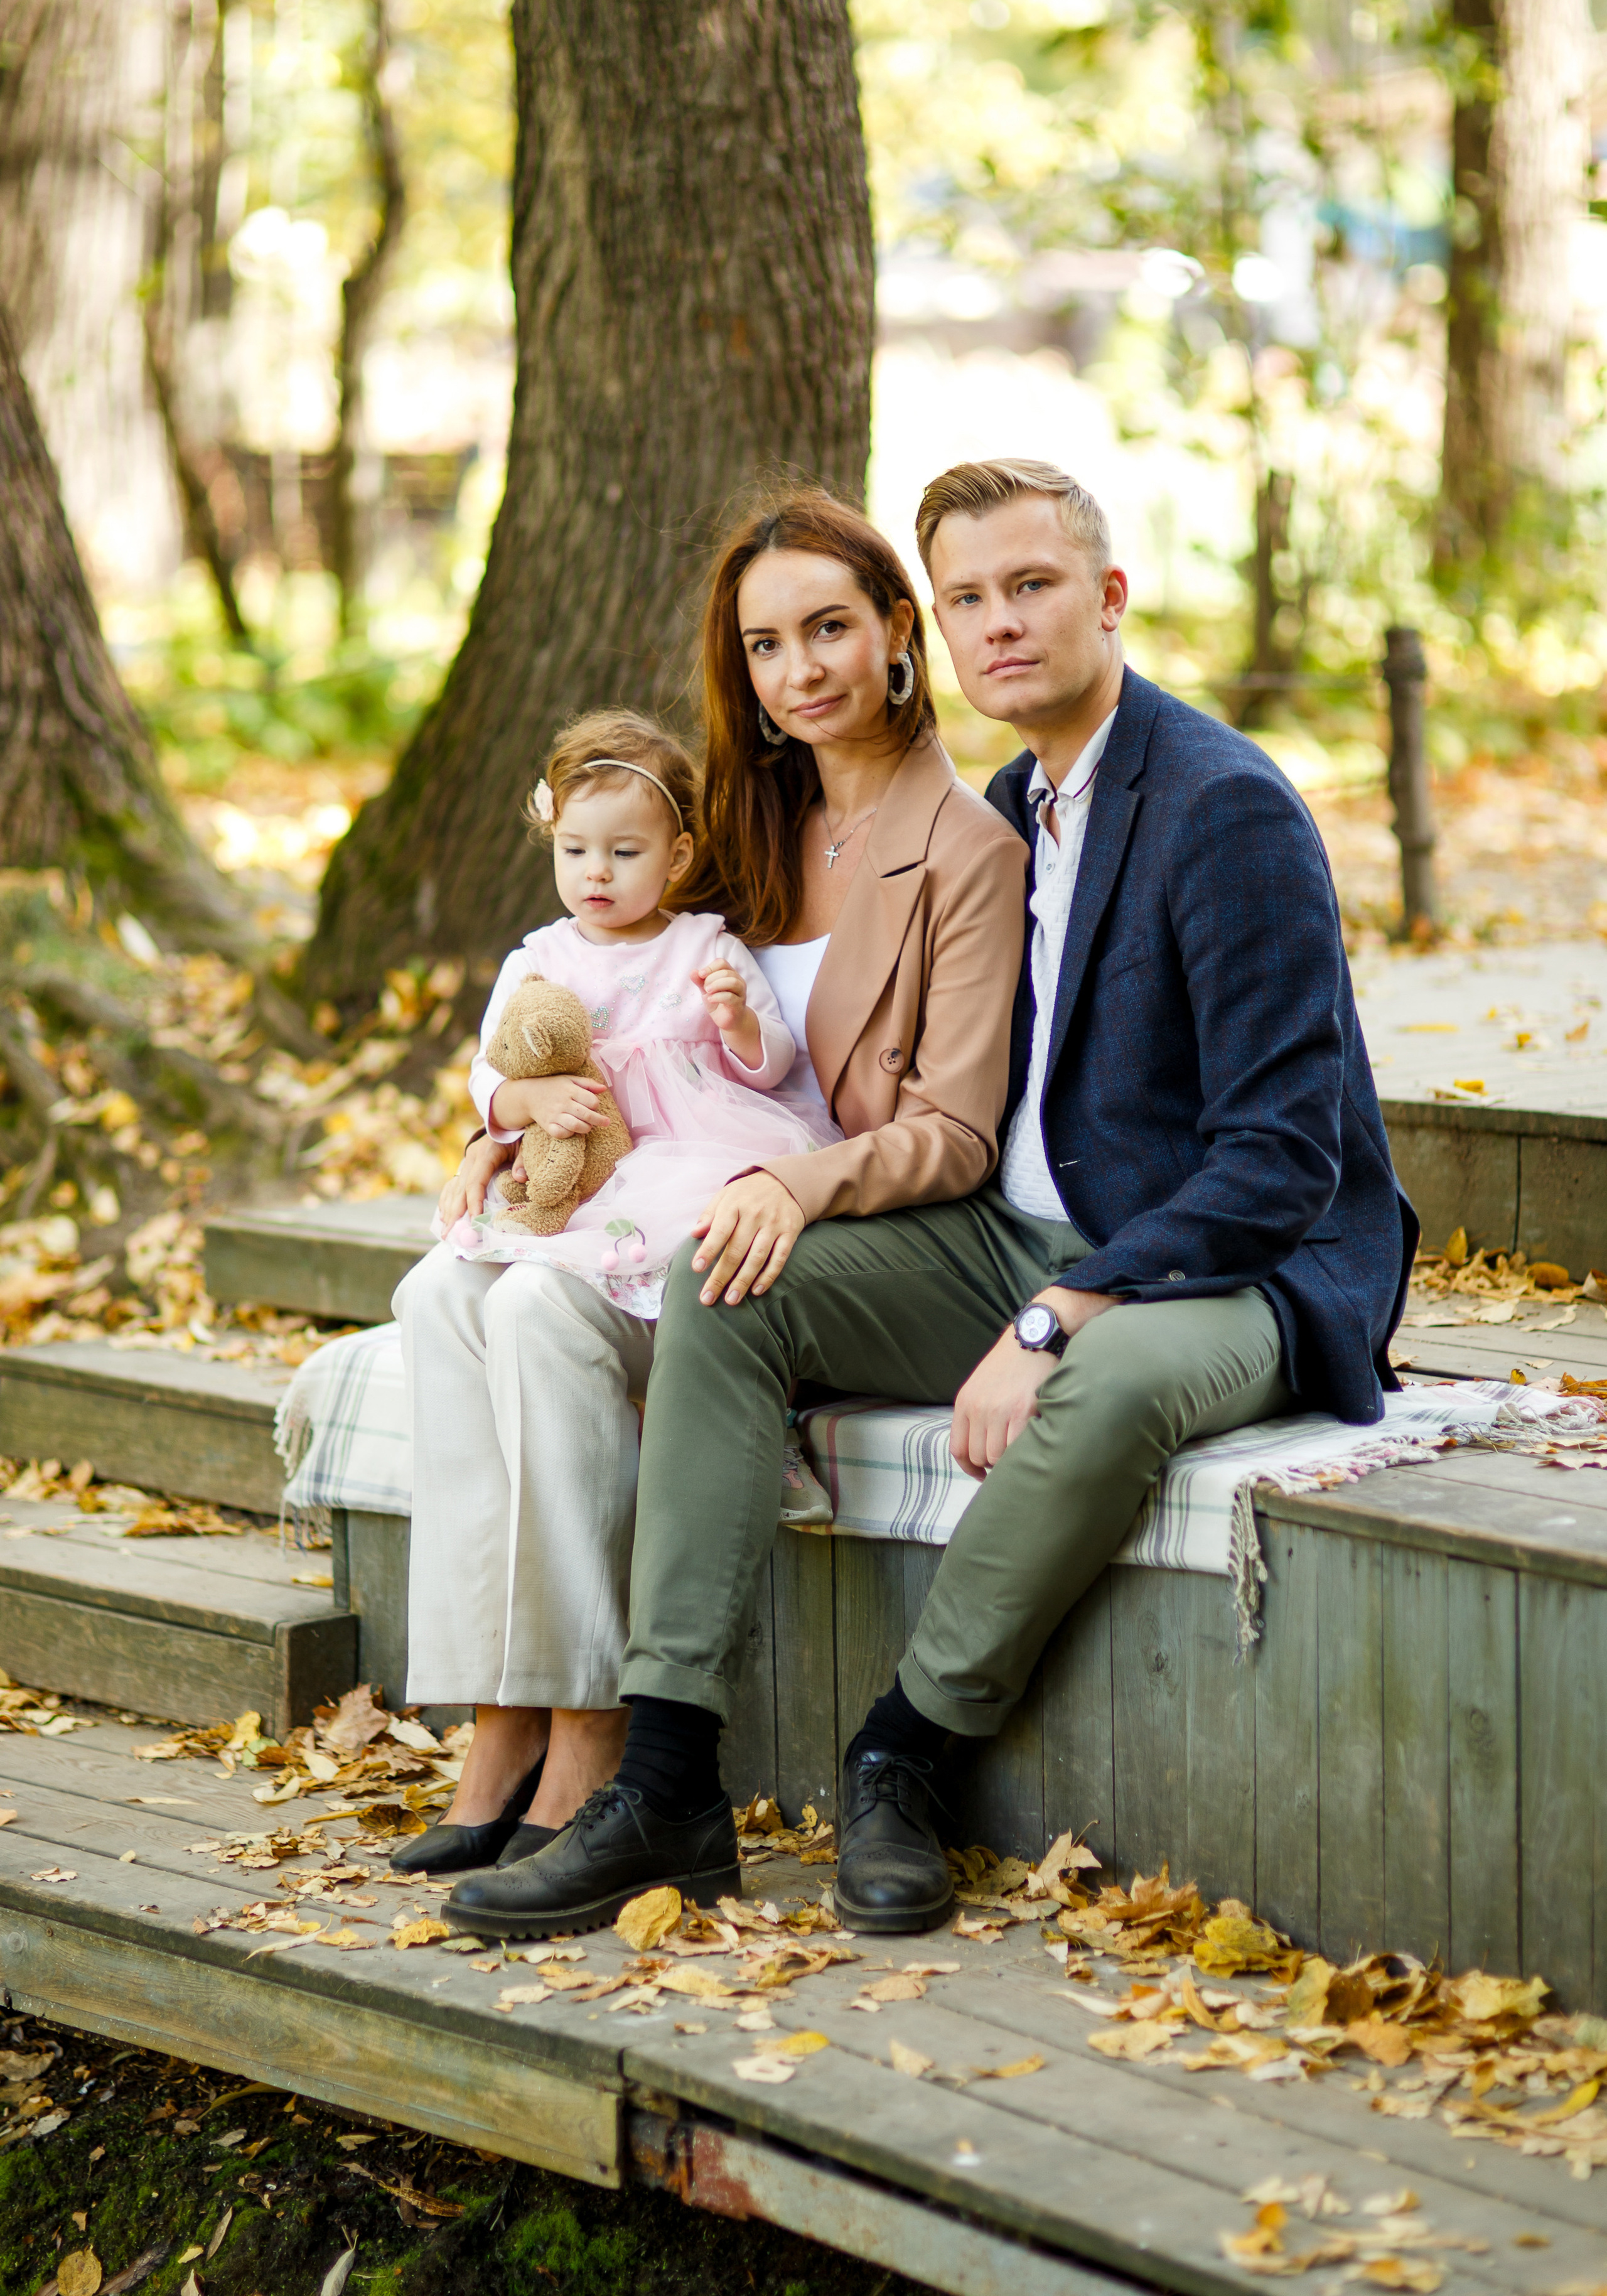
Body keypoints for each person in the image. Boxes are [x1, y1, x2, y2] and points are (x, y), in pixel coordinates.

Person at [445, 456, 1414, 1943]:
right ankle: (667, 1779)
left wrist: (1056, 1310)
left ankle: (906, 1745)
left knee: (1099, 1388)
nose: (999, 623)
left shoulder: (1224, 807)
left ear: (1108, 597)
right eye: (970, 596)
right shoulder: (1025, 798)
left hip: (1238, 1267)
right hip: (1019, 1234)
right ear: (937, 629)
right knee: (724, 1274)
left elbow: (1282, 1160)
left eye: (1030, 587)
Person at [402, 489, 1027, 1882]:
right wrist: (503, 1122)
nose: (796, 670)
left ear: (895, 634)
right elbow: (599, 997)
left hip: (840, 1219)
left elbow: (954, 1133)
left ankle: (592, 1734)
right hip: (645, 1192)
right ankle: (501, 1701)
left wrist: (800, 1185)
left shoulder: (969, 854)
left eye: (826, 630)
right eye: (762, 645)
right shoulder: (743, 821)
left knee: (535, 1323)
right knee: (445, 1294)